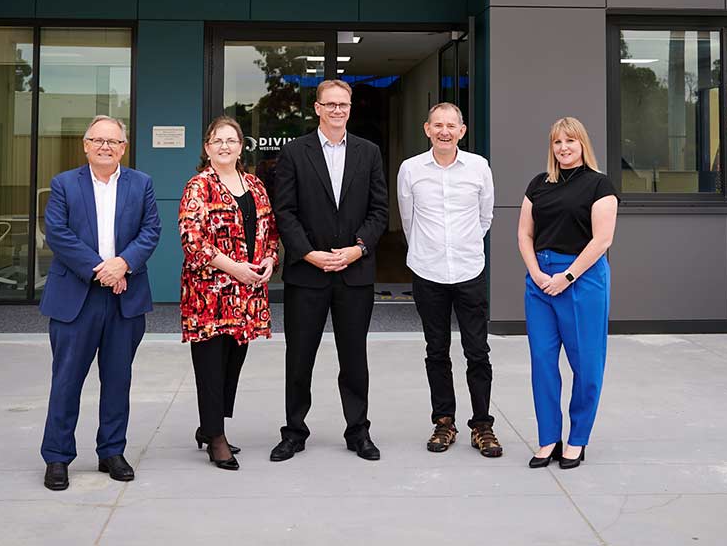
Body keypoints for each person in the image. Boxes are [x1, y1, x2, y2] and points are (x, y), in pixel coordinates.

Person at [39, 116, 161, 492]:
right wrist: (102, 270)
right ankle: (57, 457)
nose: (105, 146)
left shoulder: (141, 184)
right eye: (98, 140)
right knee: (67, 380)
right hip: (76, 297)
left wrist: (123, 264)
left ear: (124, 147)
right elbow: (57, 233)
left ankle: (111, 451)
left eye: (113, 141)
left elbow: (150, 230)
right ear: (85, 145)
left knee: (118, 379)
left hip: (125, 297)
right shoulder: (63, 184)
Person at [269, 79, 388, 462]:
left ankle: (358, 432)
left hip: (354, 273)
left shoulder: (368, 152)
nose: (338, 110)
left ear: (350, 108)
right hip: (308, 274)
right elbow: (283, 212)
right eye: (330, 104)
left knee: (354, 358)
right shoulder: (294, 152)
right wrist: (308, 254)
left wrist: (357, 250)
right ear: (317, 108)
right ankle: (294, 431)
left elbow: (379, 211)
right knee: (299, 357)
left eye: (344, 104)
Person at [398, 102, 503, 457]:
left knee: (478, 351)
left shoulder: (479, 167)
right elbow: (408, 220)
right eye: (437, 125)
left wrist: (462, 245)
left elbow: (485, 217)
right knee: (436, 350)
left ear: (462, 131)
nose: (444, 131)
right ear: (427, 129)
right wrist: (429, 251)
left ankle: (482, 425)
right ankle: (444, 422)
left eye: (451, 125)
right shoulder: (411, 170)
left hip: (469, 269)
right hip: (427, 271)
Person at [178, 116, 279, 470]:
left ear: (240, 147)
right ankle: (215, 438)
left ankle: (210, 425)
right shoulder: (198, 187)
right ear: (207, 148)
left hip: (247, 297)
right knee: (209, 366)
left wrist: (269, 258)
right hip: (209, 295)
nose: (224, 146)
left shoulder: (255, 186)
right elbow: (192, 240)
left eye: (231, 140)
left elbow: (270, 232)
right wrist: (233, 267)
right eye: (217, 140)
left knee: (232, 365)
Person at [517, 116, 617, 470]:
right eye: (557, 142)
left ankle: (577, 439)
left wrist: (567, 276)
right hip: (541, 281)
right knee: (543, 362)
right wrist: (536, 273)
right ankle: (548, 439)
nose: (563, 148)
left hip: (583, 279)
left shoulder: (599, 185)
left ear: (582, 144)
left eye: (570, 141)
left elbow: (602, 239)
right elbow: (525, 234)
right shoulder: (539, 184)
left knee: (586, 364)